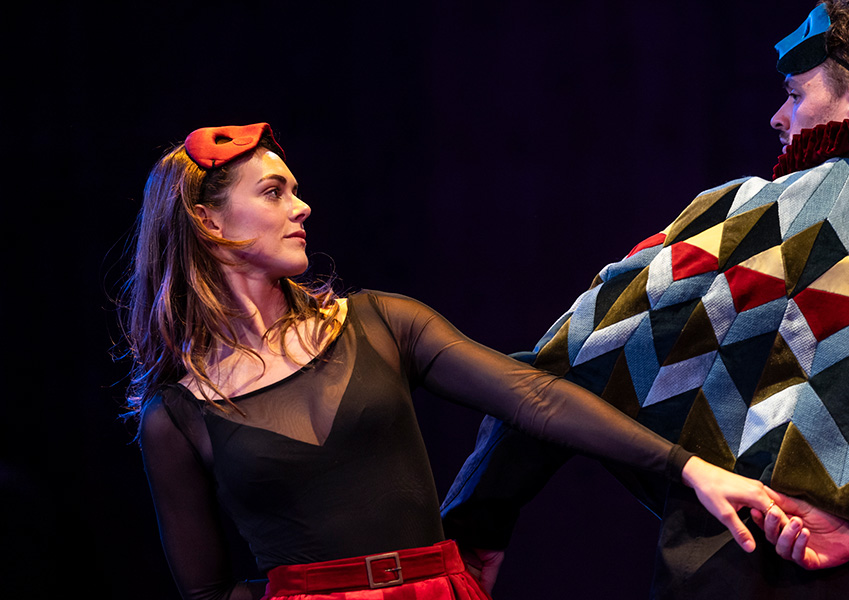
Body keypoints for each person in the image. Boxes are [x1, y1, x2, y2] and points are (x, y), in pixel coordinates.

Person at [120, 122, 782, 600]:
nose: (302, 207)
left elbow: (534, 395)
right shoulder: (177, 415)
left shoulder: (380, 323)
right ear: (209, 223)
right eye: (273, 192)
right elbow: (204, 589)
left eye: (295, 190)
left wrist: (687, 466)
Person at [440, 1, 849, 598]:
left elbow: (561, 366)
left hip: (738, 571)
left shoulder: (755, 222)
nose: (778, 117)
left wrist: (474, 525)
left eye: (795, 95)